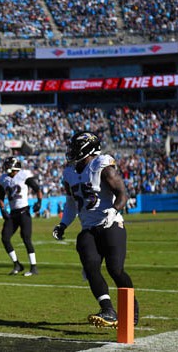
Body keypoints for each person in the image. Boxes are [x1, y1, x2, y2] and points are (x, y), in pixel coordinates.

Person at [52, 131, 139, 328]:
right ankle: (108, 310)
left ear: (88, 147)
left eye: (76, 147)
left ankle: (132, 309)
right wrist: (63, 224)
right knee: (90, 267)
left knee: (115, 270)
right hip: (88, 228)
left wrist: (113, 211)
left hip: (111, 225)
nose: (71, 151)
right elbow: (72, 203)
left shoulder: (102, 166)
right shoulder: (69, 173)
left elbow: (122, 194)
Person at [0, 157, 42, 276]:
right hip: (13, 214)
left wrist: (39, 202)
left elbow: (37, 189)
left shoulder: (23, 175)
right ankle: (17, 264)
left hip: (24, 212)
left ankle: (33, 267)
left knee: (26, 238)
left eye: (8, 166)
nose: (6, 168)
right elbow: (0, 197)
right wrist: (2, 209)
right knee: (5, 238)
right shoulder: (3, 179)